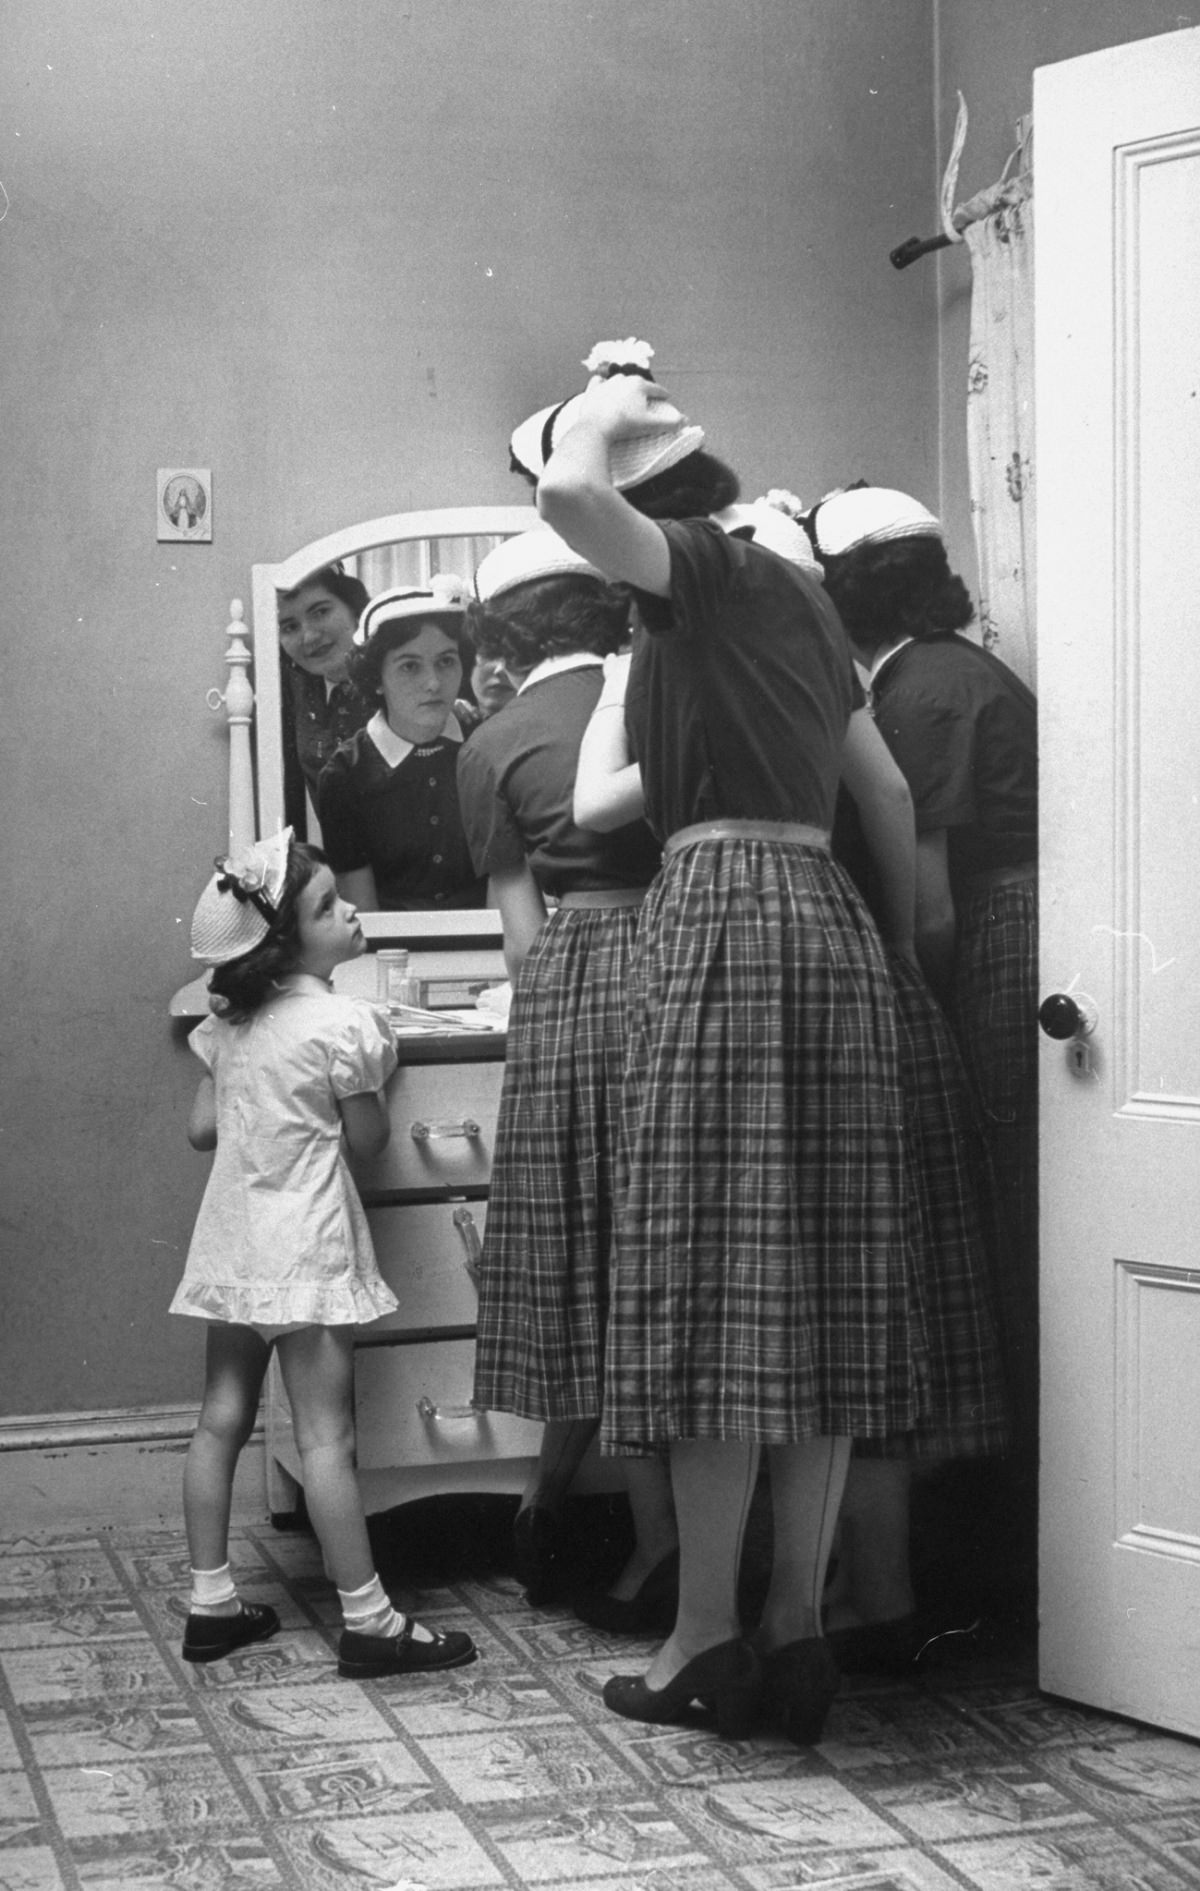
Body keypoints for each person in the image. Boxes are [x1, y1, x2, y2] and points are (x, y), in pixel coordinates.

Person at [530, 338, 926, 1744]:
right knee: (815, 1296)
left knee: (709, 1294)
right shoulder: (807, 607)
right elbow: (881, 789)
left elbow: (576, 495)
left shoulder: (704, 565)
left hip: (721, 915)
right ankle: (797, 1632)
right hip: (824, 924)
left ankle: (704, 1635)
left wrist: (600, 409)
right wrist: (912, 946)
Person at [171, 827, 477, 1679]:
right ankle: (370, 1619)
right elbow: (370, 1142)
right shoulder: (344, 1023)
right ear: (287, 941)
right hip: (305, 1251)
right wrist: (368, 1089)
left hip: (234, 1247)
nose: (348, 909)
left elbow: (202, 1130)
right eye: (327, 905)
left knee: (219, 1417)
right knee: (326, 1441)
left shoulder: (231, 1026)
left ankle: (210, 1602)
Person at [456, 525, 676, 1622]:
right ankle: (681, 1543)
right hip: (694, 958)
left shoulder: (494, 742)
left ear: (503, 634)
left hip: (580, 976)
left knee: (590, 1267)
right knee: (670, 1266)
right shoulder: (666, 692)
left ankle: (642, 1544)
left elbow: (519, 942)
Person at [809, 486, 1038, 1475]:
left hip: (1003, 931)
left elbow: (934, 906)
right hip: (1031, 922)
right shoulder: (965, 667)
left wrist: (918, 1001)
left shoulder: (914, 694)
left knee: (1011, 1205)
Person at [316, 578, 487, 912]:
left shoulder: (486, 742)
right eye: (410, 666)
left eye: (446, 661)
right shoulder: (344, 775)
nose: (434, 683)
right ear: (376, 678)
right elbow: (363, 912)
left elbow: (505, 882)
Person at [276, 564, 375, 833]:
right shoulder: (293, 688)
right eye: (289, 626)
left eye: (320, 612)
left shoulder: (394, 676)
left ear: (355, 611)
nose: (309, 637)